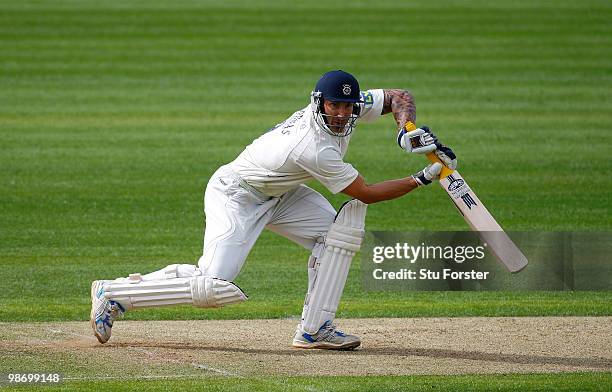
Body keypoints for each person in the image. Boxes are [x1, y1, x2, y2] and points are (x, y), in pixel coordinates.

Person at [90, 70, 456, 350]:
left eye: (348, 106)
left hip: (280, 193)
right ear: (318, 103)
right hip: (236, 194)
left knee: (337, 236)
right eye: (334, 105)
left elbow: (398, 96)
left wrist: (405, 129)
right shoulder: (313, 147)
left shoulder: (349, 108)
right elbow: (367, 193)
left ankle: (315, 329)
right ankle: (114, 293)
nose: (342, 114)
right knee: (214, 284)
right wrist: (421, 177)